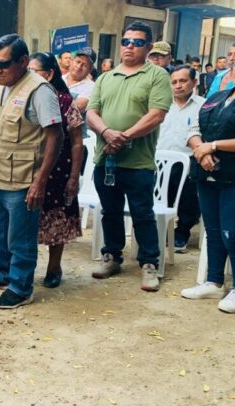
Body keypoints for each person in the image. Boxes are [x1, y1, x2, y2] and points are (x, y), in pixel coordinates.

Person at [0, 34, 63, 308]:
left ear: (23, 61)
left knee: (20, 239)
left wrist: (40, 181)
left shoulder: (39, 91)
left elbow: (55, 135)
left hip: (23, 180)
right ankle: (4, 273)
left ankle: (21, 287)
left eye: (3, 64)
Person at [86, 21, 172, 291]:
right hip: (106, 160)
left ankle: (149, 265)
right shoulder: (105, 77)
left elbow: (156, 114)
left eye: (136, 42)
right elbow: (91, 113)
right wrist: (107, 133)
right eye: (126, 42)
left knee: (142, 213)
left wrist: (124, 136)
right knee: (109, 211)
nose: (129, 47)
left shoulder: (156, 76)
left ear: (148, 47)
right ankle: (111, 256)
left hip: (139, 162)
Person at [180, 49, 235, 313]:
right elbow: (193, 128)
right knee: (213, 231)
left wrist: (213, 146)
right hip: (206, 174)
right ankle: (214, 281)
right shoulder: (217, 97)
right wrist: (200, 149)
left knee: (234, 233)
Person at [29, 52, 84, 288]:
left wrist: (74, 176)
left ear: (49, 74)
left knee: (58, 221)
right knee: (27, 222)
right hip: (27, 169)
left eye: (34, 72)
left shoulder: (64, 101)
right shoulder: (21, 98)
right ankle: (24, 270)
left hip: (59, 171)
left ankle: (54, 268)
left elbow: (77, 141)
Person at [156, 65, 204, 252]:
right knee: (160, 198)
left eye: (183, 81)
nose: (178, 86)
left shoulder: (203, 105)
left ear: (194, 82)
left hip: (190, 160)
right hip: (160, 160)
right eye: (174, 82)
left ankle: (182, 232)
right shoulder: (161, 104)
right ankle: (162, 231)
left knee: (188, 198)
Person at [63, 47, 95, 113]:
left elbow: (75, 107)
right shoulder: (60, 78)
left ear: (90, 70)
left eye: (85, 65)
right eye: (78, 62)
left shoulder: (91, 87)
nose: (79, 66)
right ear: (71, 61)